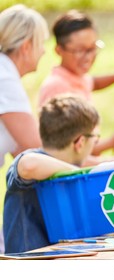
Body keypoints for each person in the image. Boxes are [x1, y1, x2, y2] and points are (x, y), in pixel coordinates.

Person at [39, 9, 114, 155]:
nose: (88, 56)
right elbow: (68, 152)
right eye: (80, 50)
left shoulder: (76, 76)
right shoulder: (57, 89)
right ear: (59, 50)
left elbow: (93, 83)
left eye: (93, 48)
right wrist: (112, 142)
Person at [3, 95, 100, 253]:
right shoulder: (33, 159)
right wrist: (80, 177)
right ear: (80, 142)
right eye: (95, 139)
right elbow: (29, 165)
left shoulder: (58, 167)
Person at [0, 4, 49, 255]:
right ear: (27, 45)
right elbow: (36, 152)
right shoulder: (4, 77)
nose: (44, 51)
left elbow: (19, 150)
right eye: (42, 43)